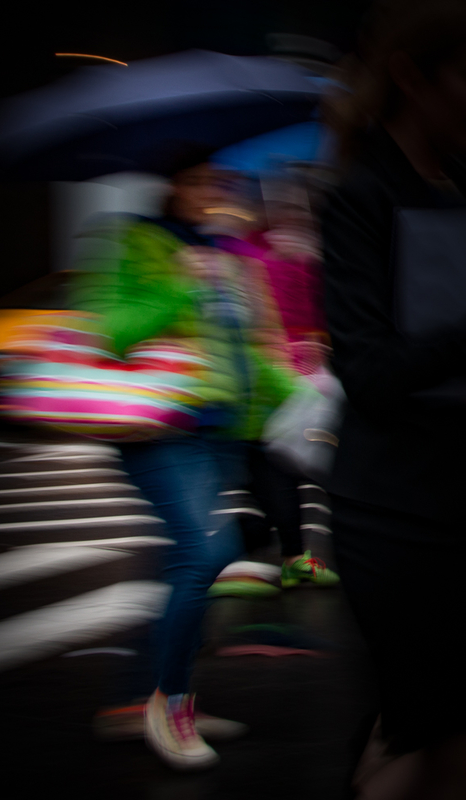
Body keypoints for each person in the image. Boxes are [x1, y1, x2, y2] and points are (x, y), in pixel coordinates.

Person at [69, 145, 297, 770]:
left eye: (215, 180)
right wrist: (178, 282)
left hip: (218, 433)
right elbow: (108, 329)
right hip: (158, 432)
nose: (208, 191)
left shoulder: (231, 256)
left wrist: (308, 404)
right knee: (206, 556)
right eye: (195, 180)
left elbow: (254, 351)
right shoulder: (133, 243)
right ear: (169, 185)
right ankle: (168, 704)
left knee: (184, 566)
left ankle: (140, 700)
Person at [321, 1, 466, 796]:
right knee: (422, 742)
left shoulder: (460, 185)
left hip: (453, 498)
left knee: (435, 732)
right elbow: (368, 373)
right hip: (395, 515)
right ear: (414, 78)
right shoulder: (360, 196)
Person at [204, 184, 340, 596]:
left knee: (275, 479)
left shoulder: (257, 259)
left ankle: (290, 558)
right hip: (229, 397)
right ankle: (240, 552)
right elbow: (261, 331)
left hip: (259, 394)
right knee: (252, 483)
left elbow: (271, 331)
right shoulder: (244, 259)